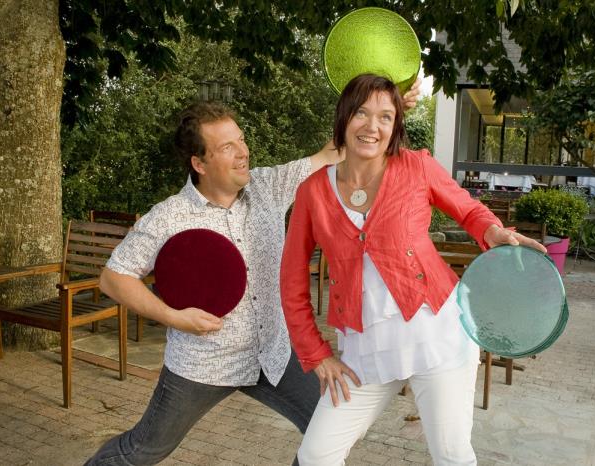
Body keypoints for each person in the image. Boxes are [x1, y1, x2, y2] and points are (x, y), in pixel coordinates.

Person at [85, 84, 420, 465]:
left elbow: (337, 150)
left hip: (272, 355)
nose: (243, 152)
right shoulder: (169, 216)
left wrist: (386, 106)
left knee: (327, 434)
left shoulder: (267, 185)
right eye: (227, 147)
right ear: (199, 163)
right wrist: (173, 317)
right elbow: (113, 277)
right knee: (142, 450)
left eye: (241, 140)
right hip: (204, 363)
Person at [279, 74, 547, 466]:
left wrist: (493, 230)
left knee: (452, 455)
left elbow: (468, 209)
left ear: (395, 127)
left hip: (438, 336)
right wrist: (316, 353)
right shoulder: (312, 192)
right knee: (316, 454)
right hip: (364, 349)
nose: (372, 126)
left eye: (385, 117)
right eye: (361, 113)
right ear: (343, 118)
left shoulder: (416, 166)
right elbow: (291, 278)